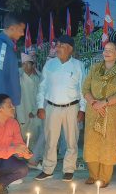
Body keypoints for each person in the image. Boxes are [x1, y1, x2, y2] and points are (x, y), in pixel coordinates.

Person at [35, 35, 86, 182]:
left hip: (72, 107)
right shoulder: (50, 65)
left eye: (61, 45)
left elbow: (83, 88)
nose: (57, 48)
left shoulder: (78, 65)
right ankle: (47, 169)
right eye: (57, 45)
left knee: (71, 140)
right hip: (52, 107)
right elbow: (42, 87)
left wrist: (82, 109)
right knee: (51, 140)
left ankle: (69, 169)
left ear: (70, 49)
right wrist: (40, 106)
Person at [82, 41, 116, 187]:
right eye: (105, 49)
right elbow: (85, 88)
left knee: (108, 144)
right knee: (92, 142)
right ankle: (93, 175)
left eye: (110, 50)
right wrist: (95, 103)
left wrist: (105, 102)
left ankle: (104, 178)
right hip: (93, 111)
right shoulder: (95, 68)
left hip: (111, 113)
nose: (106, 52)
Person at [0, 13, 25, 106]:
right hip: (3, 103)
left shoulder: (3, 43)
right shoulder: (2, 46)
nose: (23, 33)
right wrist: (2, 104)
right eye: (21, 30)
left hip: (4, 100)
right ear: (12, 28)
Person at [17, 52, 41, 147]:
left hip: (35, 111)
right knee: (22, 133)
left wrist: (35, 111)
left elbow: (40, 97)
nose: (26, 66)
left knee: (35, 134)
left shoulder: (38, 79)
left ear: (33, 65)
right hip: (22, 110)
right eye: (24, 64)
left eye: (28, 63)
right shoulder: (19, 79)